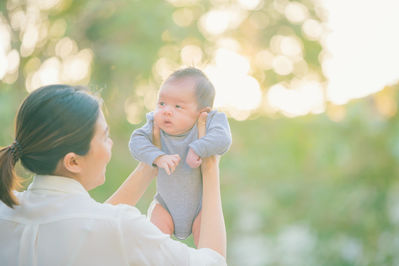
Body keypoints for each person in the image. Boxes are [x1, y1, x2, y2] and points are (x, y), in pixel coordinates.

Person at [0, 84, 227, 265]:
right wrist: (210, 165)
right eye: (105, 136)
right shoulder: (120, 227)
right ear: (73, 161)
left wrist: (150, 164)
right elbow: (212, 262)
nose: (110, 143)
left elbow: (90, 225)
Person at [129, 67, 232, 245]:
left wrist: (198, 148)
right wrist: (157, 156)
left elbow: (223, 139)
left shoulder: (210, 122)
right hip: (165, 205)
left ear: (202, 112)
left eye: (178, 106)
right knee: (154, 245)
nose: (167, 111)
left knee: (208, 248)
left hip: (200, 207)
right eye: (161, 103)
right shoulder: (155, 123)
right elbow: (135, 142)